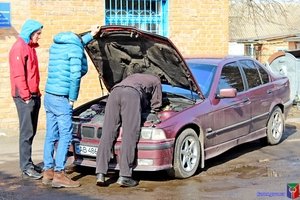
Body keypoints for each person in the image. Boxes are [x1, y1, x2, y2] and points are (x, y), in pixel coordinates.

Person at [42, 25, 100, 188]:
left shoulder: (57, 45)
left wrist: (91, 34)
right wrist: (72, 99)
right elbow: (76, 75)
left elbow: (78, 43)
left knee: (51, 134)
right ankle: (59, 174)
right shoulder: (75, 49)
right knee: (65, 135)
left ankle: (48, 171)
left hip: (49, 95)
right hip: (62, 98)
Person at [95, 73, 162, 187]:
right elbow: (156, 104)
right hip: (131, 95)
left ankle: (100, 174)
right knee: (129, 134)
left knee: (107, 133)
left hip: (114, 92)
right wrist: (153, 111)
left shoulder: (132, 76)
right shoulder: (156, 80)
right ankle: (125, 176)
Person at [9, 19, 43, 180]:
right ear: (30, 32)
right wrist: (27, 97)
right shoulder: (19, 48)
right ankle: (26, 167)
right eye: (38, 33)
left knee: (32, 131)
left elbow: (32, 74)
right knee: (26, 132)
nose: (39, 36)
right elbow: (18, 75)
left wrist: (36, 94)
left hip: (33, 95)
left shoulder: (29, 47)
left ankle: (28, 162)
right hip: (24, 98)